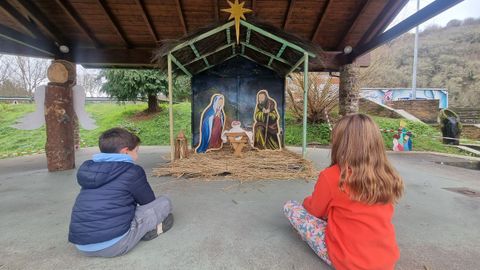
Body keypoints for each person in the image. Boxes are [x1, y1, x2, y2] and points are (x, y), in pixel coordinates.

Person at [283, 114, 404, 270]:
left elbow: (314, 210)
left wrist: (306, 202)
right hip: (386, 261)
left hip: (348, 261)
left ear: (340, 144)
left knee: (290, 206)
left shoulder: (332, 175)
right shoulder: (387, 174)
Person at [68, 128, 173, 257]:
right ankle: (150, 230)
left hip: (82, 245)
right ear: (125, 152)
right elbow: (148, 202)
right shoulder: (132, 171)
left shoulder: (90, 170)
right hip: (115, 245)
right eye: (136, 151)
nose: (137, 155)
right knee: (164, 203)